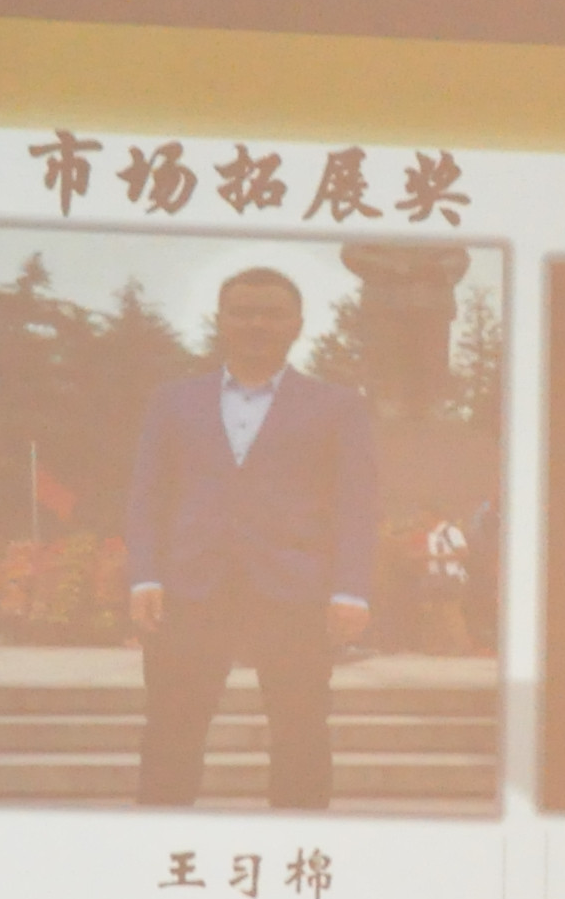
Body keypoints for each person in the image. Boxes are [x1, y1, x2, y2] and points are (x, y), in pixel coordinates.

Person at [125, 265, 377, 809]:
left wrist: (351, 588)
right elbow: (147, 495)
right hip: (190, 589)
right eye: (242, 313)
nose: (257, 324)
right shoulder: (173, 401)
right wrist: (143, 575)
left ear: (297, 325)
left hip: (295, 591)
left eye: (272, 314)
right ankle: (159, 841)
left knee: (301, 730)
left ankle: (298, 844)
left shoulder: (337, 406)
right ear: (221, 321)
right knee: (171, 729)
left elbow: (357, 503)